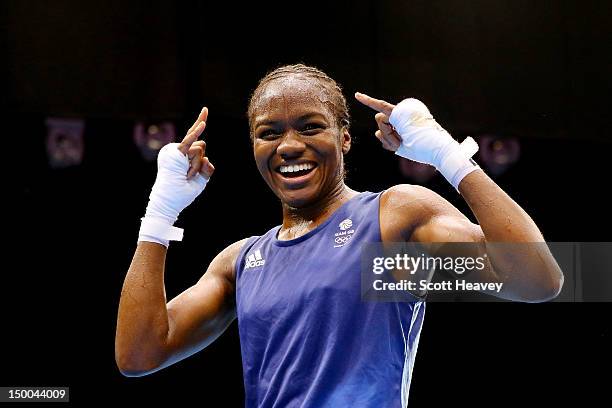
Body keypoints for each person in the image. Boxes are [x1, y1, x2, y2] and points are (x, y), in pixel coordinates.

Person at [115, 64, 563, 407]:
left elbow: (536, 279)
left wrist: (447, 154)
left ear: (345, 139)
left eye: (310, 126)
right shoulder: (241, 261)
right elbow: (138, 356)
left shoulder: (392, 220)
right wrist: (159, 213)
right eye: (269, 133)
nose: (289, 145)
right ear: (254, 148)